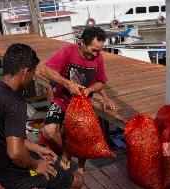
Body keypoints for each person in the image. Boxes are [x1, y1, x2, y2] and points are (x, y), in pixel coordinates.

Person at [0, 43, 82, 189]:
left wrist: (36, 148)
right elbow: (15, 154)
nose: (32, 77)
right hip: (13, 176)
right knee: (77, 179)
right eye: (32, 73)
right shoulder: (15, 102)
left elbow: (3, 135)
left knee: (46, 155)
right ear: (24, 72)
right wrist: (36, 165)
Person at [35, 26, 116, 183]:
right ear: (82, 43)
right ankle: (66, 152)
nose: (96, 54)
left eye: (99, 50)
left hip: (83, 105)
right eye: (93, 50)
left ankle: (80, 167)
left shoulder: (98, 57)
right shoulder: (67, 51)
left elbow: (101, 82)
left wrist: (90, 90)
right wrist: (67, 84)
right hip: (62, 101)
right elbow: (44, 70)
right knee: (50, 131)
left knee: (84, 135)